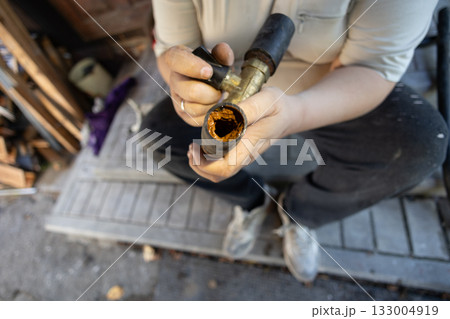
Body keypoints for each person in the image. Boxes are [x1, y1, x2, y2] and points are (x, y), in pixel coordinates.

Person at [142, 0, 448, 282]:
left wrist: (296, 112)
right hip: (225, 98)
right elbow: (174, 53)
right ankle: (251, 200)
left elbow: (373, 66)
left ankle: (301, 212)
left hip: (328, 88)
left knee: (419, 144)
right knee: (156, 135)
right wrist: (183, 88)